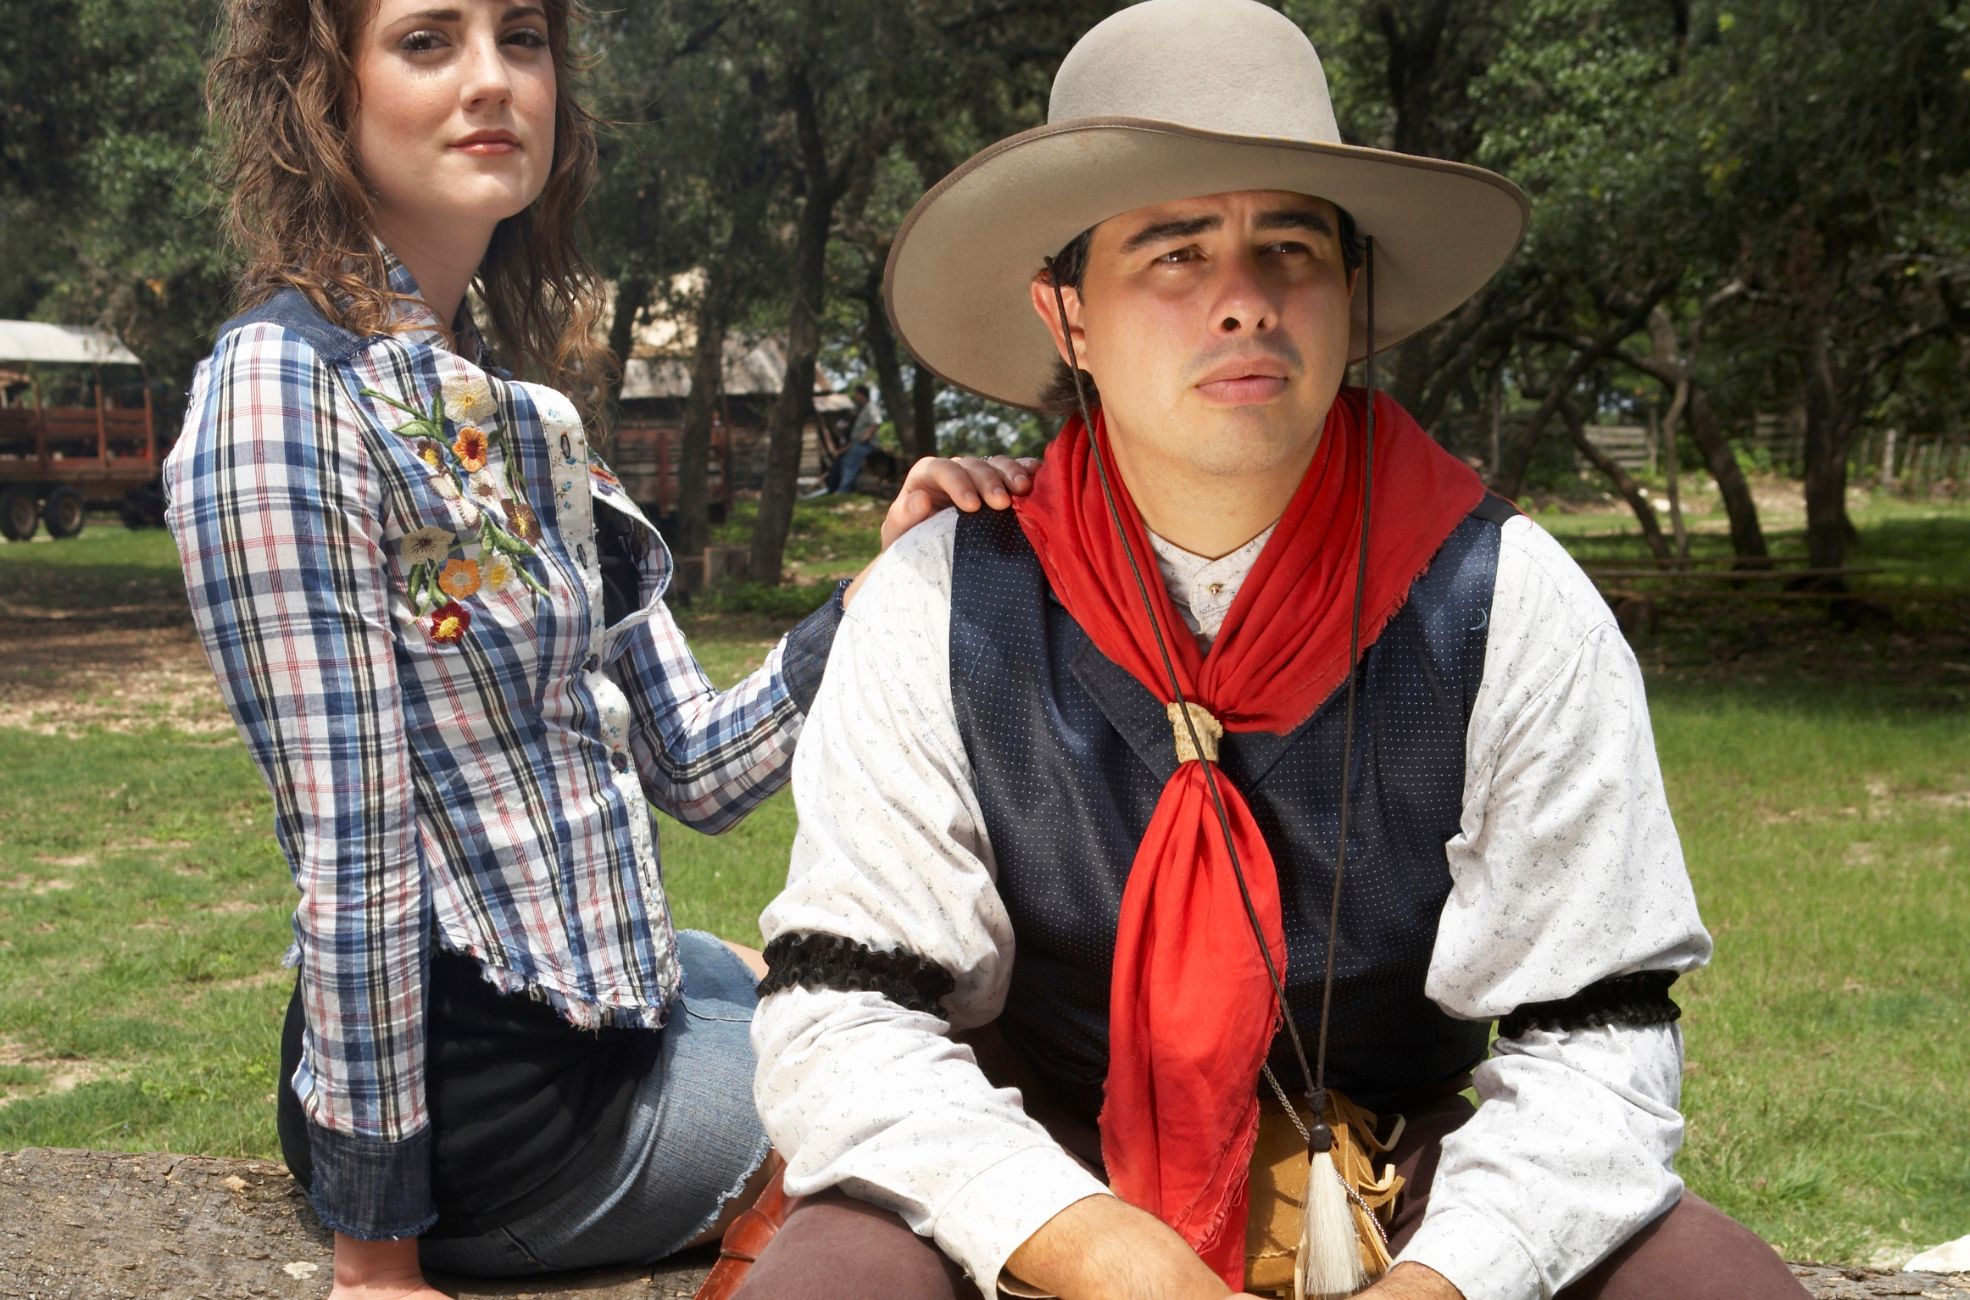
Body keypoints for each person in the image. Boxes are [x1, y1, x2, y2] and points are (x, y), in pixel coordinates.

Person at [733, 2, 1812, 1299]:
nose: (1242, 303)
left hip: (1400, 1186)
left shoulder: (1500, 596)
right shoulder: (939, 604)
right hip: (1040, 1188)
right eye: (1173, 253)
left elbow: (1596, 1038)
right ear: (1065, 314)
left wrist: (1448, 1279)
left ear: (1349, 291)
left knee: (1710, 1284)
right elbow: (846, 1019)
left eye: (1287, 246)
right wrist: (1097, 1248)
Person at [168, 4, 1029, 1298]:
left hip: (605, 1017)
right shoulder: (281, 396)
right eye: (425, 41)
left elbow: (696, 768)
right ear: (320, 90)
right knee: (963, 1096)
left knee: (873, 1003)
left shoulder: (518, 413)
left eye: (521, 37)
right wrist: (375, 1262)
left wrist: (874, 587)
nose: (491, 79)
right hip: (506, 1134)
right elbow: (352, 857)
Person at [828, 385, 882, 494]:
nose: (855, 397)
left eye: (856, 394)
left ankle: (843, 491)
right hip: (857, 443)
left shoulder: (871, 407)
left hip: (866, 444)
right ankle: (845, 488)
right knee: (844, 462)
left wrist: (867, 436)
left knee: (850, 464)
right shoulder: (862, 409)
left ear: (862, 395)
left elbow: (876, 422)